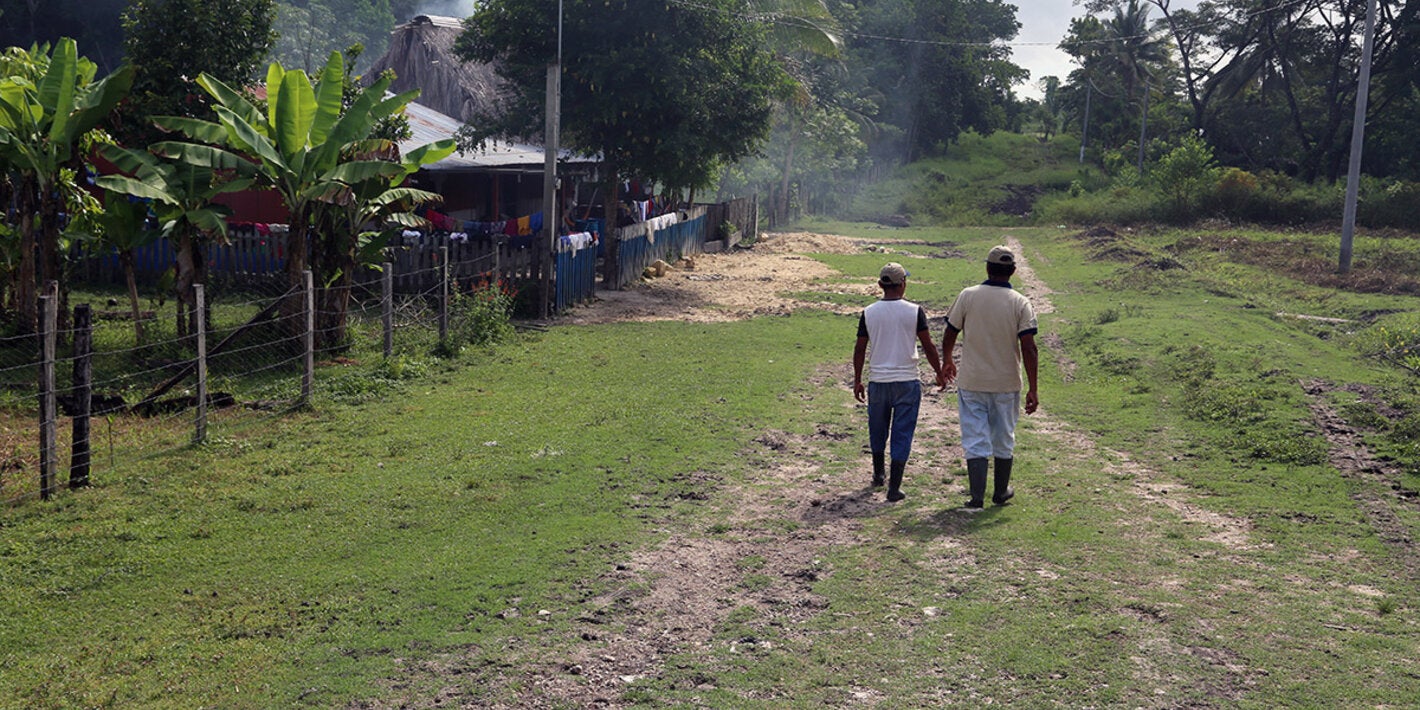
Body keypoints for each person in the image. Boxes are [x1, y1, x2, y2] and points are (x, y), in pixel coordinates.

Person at [940, 245, 1039, 509]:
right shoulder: (1020, 302)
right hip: (1006, 383)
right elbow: (1029, 347)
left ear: (987, 267)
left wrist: (947, 359)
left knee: (975, 436)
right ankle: (1000, 491)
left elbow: (950, 331)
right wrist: (1033, 388)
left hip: (972, 380)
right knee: (1003, 436)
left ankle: (975, 496)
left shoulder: (968, 296)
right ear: (1014, 271)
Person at [853, 263, 945, 502]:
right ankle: (894, 487)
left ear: (880, 285)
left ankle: (877, 473)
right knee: (902, 432)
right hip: (907, 380)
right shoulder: (914, 311)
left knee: (877, 427)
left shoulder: (869, 312)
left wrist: (857, 380)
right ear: (903, 283)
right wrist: (939, 371)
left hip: (878, 380)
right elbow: (928, 345)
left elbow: (860, 348)